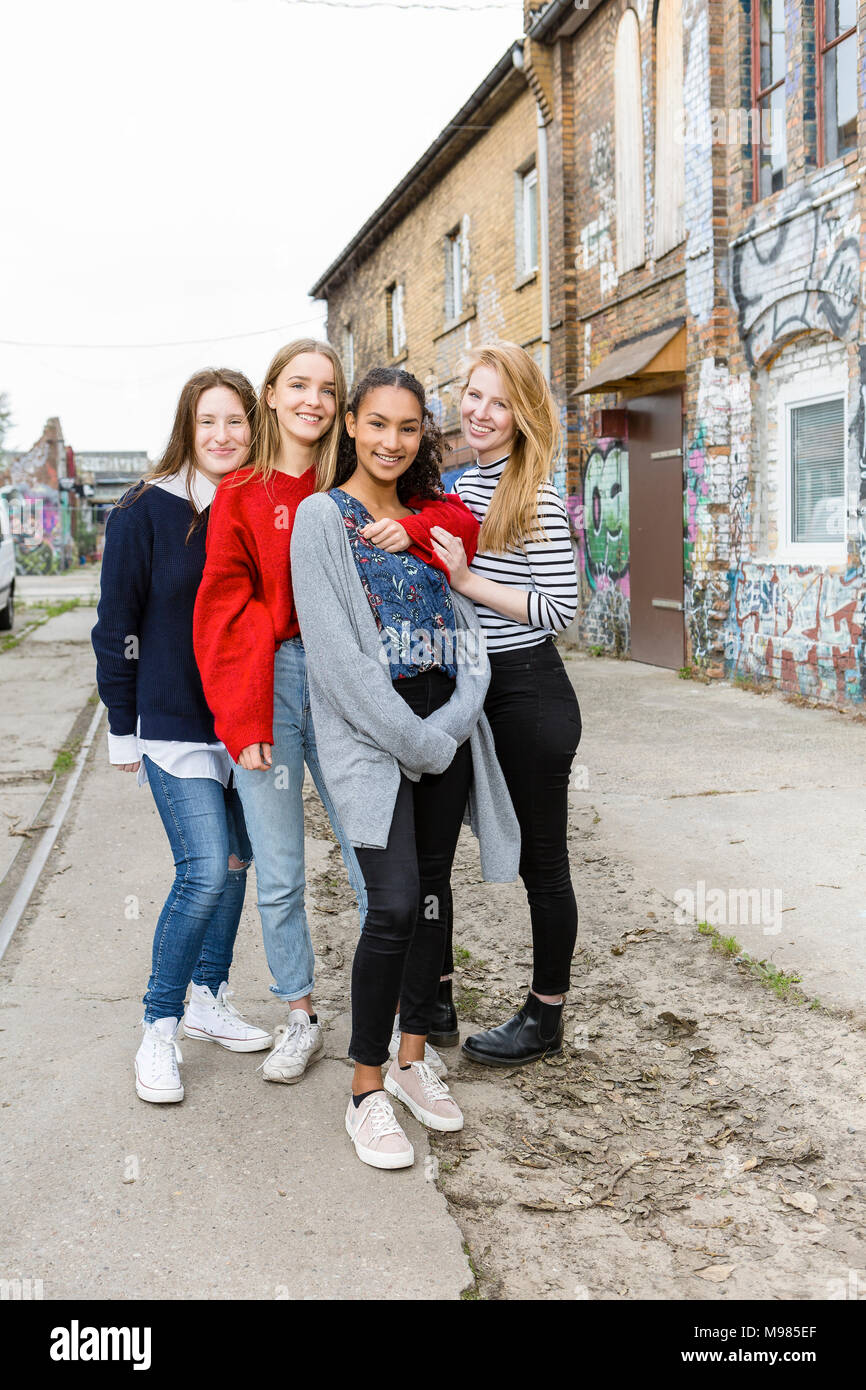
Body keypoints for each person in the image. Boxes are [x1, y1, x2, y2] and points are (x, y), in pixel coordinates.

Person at [193, 340, 480, 1086]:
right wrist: (245, 718)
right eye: (299, 385)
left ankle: (387, 1029)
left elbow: (448, 517)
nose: (313, 400)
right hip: (275, 678)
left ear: (344, 410)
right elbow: (222, 609)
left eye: (327, 387)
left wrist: (417, 530)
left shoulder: (359, 475)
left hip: (358, 684)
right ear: (273, 395)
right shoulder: (243, 492)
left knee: (378, 866)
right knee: (282, 865)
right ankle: (299, 1013)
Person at [291, 365, 519, 1169]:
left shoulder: (431, 519)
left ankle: (414, 1061)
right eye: (378, 424)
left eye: (409, 427)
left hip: (446, 723)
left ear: (425, 433)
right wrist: (419, 740)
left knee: (430, 897)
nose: (393, 441)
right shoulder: (323, 519)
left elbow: (469, 640)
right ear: (351, 423)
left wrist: (453, 722)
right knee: (390, 906)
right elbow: (340, 665)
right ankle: (364, 1091)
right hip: (373, 734)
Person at [92, 369, 272, 1105]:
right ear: (187, 430)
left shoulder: (260, 506)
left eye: (237, 421)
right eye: (209, 423)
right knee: (202, 866)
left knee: (234, 862)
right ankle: (159, 1027)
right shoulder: (144, 511)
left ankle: (207, 996)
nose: (224, 435)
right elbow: (116, 627)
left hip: (246, 723)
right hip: (171, 724)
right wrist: (122, 729)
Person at [429, 343, 581, 1066]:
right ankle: (434, 1001)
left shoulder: (536, 494)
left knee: (542, 863)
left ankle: (543, 1018)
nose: (481, 413)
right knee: (432, 852)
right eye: (473, 396)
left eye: (499, 402)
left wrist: (467, 580)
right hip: (470, 691)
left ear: (522, 416)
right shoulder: (460, 486)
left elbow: (560, 608)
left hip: (528, 691)